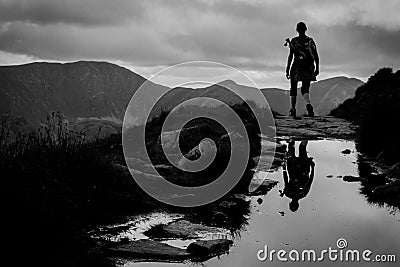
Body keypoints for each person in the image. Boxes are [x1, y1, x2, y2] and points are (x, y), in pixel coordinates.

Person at [285, 22, 319, 118]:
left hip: (297, 66)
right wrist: (317, 67)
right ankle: (308, 104)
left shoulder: (294, 41)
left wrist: (287, 69)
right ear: (305, 29)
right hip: (308, 66)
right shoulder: (310, 41)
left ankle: (293, 109)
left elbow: (290, 56)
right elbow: (315, 55)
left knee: (293, 87)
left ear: (297, 30)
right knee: (305, 88)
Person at [280, 140, 315, 212]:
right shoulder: (289, 193)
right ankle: (293, 138)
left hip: (301, 169)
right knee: (294, 149)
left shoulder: (303, 194)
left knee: (301, 148)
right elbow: (286, 179)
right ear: (290, 203)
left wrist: (312, 167)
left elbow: (310, 180)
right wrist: (284, 169)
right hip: (295, 170)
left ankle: (303, 136)